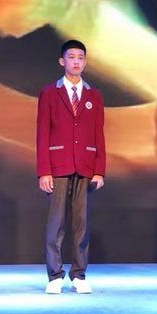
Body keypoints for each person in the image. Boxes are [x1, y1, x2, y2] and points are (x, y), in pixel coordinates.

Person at [36, 40, 106, 294]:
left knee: (81, 224)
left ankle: (79, 274)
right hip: (58, 165)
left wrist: (99, 170)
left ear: (85, 62)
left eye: (80, 57)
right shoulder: (49, 93)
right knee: (56, 224)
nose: (76, 61)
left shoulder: (93, 96)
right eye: (71, 57)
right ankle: (55, 275)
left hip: (85, 166)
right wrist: (44, 171)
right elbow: (42, 133)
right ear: (62, 61)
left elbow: (98, 134)